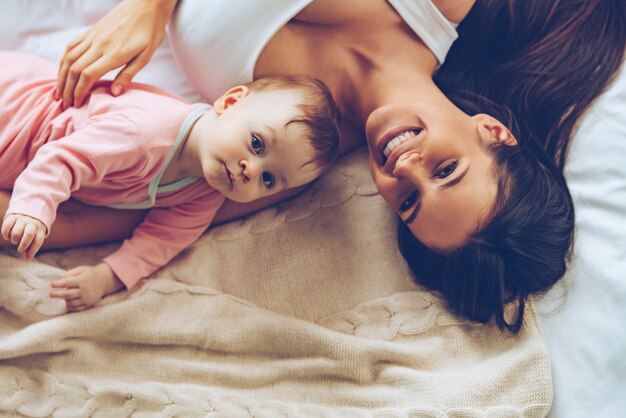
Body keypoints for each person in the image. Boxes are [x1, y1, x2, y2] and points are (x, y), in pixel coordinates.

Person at [1, 0, 623, 331]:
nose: (403, 168)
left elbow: (151, 215)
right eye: (447, 171)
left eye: (407, 202)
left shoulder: (292, 165)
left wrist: (22, 224)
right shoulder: (437, 7)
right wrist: (148, 7)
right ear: (491, 131)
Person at [0, 51, 340, 311]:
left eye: (268, 179)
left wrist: (106, 277)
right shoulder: (145, 135)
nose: (249, 170)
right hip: (12, 111)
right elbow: (62, 159)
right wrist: (33, 208)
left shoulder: (205, 192)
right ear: (230, 102)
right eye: (256, 144)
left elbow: (162, 240)